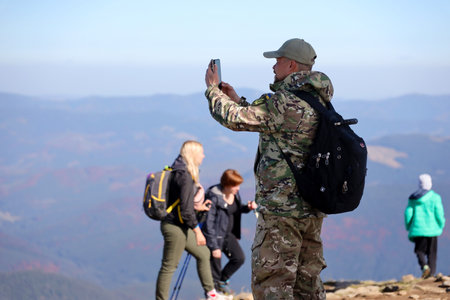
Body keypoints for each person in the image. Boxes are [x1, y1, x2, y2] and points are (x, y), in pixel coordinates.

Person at [204, 38, 333, 299]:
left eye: (277, 61)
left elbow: (233, 119)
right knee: (307, 282)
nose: (274, 67)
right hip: (311, 207)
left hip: (282, 210)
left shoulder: (286, 102)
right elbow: (272, 122)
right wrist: (239, 99)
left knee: (273, 282)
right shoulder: (316, 101)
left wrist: (212, 90)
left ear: (291, 65)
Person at [155, 140, 229, 300]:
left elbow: (181, 204)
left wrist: (199, 208)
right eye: (201, 153)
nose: (203, 156)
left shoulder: (177, 170)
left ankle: (211, 294)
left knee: (203, 253)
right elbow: (186, 211)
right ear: (194, 154)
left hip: (177, 224)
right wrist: (198, 232)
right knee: (169, 266)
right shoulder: (185, 176)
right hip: (175, 227)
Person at [202, 169, 258, 295]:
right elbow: (208, 223)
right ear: (226, 185)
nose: (238, 188)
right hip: (215, 238)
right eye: (235, 185)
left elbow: (236, 210)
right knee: (214, 271)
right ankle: (215, 292)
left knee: (239, 258)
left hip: (228, 235)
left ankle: (222, 282)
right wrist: (214, 246)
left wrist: (247, 208)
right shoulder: (214, 197)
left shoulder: (235, 195)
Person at [404, 173, 445, 278]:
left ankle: (424, 267)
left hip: (417, 229)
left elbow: (408, 214)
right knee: (432, 253)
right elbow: (439, 213)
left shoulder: (413, 199)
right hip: (432, 230)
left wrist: (409, 226)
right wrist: (441, 224)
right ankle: (431, 274)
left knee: (419, 251)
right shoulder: (435, 197)